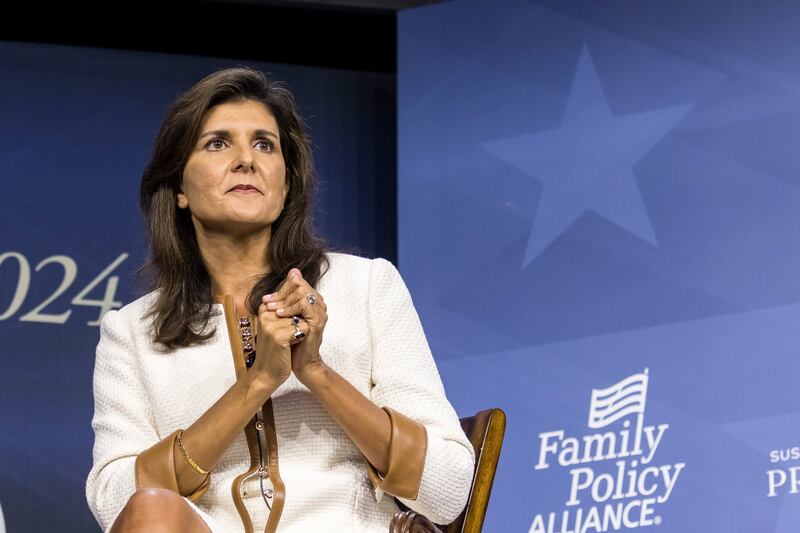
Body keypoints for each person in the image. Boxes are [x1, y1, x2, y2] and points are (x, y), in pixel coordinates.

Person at [85, 66, 475, 533]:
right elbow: (116, 504)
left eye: (264, 144)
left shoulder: (367, 287)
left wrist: (315, 372)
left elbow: (450, 487)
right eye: (218, 143)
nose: (246, 160)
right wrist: (259, 382)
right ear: (179, 189)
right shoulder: (132, 332)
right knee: (152, 510)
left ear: (285, 184)